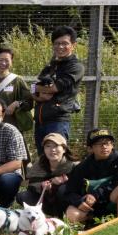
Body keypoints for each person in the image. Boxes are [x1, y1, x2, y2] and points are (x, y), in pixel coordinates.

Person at [64, 127, 118, 226]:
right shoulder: (83, 166)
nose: (104, 146)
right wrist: (79, 202)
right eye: (99, 144)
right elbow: (69, 191)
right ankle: (92, 224)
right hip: (91, 207)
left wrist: (95, 195)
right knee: (71, 214)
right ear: (90, 148)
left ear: (112, 145)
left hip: (112, 202)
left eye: (108, 143)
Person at [31, 26, 85, 155]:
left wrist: (36, 88)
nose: (60, 47)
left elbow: (54, 88)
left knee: (57, 158)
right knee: (43, 158)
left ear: (73, 45)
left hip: (58, 121)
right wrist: (37, 93)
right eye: (57, 43)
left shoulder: (76, 66)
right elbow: (34, 88)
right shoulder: (51, 65)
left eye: (65, 43)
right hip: (40, 120)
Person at [0, 46, 34, 138]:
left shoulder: (17, 81)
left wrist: (17, 103)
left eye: (7, 60)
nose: (3, 63)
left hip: (12, 126)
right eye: (0, 60)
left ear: (11, 62)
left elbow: (29, 102)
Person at [22, 132, 76, 217]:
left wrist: (65, 181)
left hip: (66, 200)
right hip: (46, 200)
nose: (52, 149)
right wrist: (43, 185)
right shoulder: (39, 163)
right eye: (48, 146)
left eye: (56, 146)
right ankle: (41, 214)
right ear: (44, 149)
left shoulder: (74, 165)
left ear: (64, 149)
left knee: (62, 190)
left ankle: (64, 214)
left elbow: (80, 184)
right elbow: (31, 183)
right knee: (23, 196)